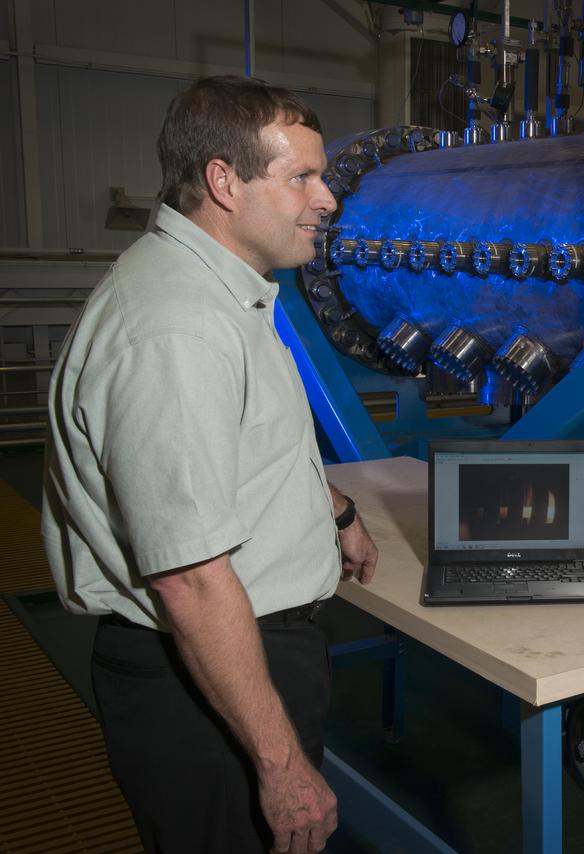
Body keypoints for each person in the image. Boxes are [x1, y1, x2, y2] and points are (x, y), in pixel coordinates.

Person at [41, 75, 379, 854]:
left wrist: (337, 512)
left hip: (240, 653)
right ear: (224, 181)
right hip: (205, 675)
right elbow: (188, 577)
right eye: (301, 177)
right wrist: (281, 764)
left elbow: (240, 449)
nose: (327, 198)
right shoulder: (177, 330)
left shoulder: (224, 295)